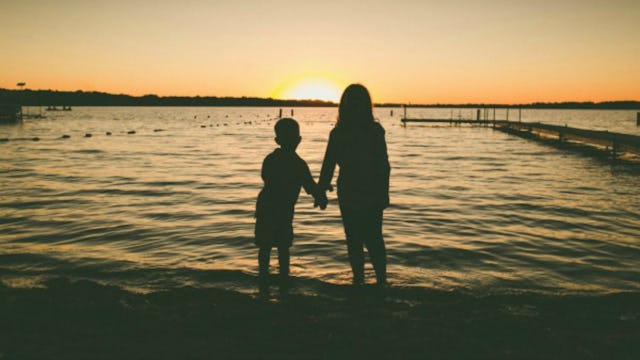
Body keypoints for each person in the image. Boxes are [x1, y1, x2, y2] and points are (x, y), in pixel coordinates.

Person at [317, 84, 390, 285]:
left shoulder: (375, 131)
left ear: (366, 104)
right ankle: (358, 279)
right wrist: (321, 189)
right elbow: (328, 164)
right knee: (353, 239)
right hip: (348, 191)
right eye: (352, 100)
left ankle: (381, 280)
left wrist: (384, 194)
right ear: (345, 105)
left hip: (371, 191)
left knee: (374, 238)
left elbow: (383, 165)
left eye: (360, 100)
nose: (356, 104)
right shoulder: (338, 133)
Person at [254, 118, 326, 288]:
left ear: (277, 141)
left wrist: (319, 194)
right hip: (282, 210)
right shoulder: (299, 164)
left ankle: (263, 278)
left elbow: (265, 178)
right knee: (283, 246)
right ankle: (283, 278)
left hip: (266, 207)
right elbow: (310, 187)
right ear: (299, 140)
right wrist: (320, 196)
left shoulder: (271, 159)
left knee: (265, 246)